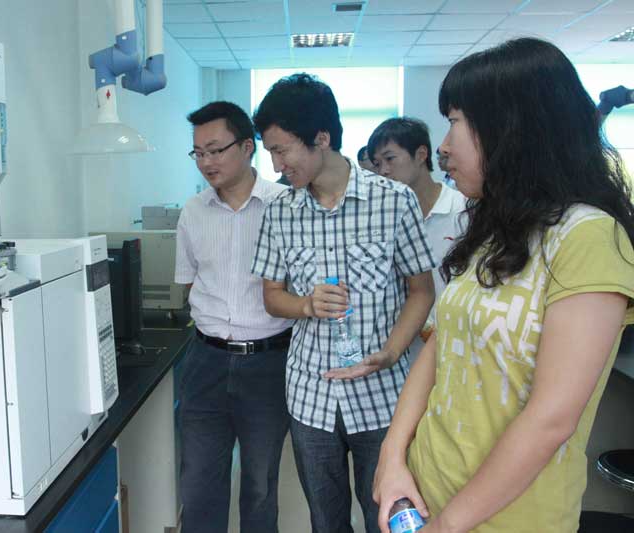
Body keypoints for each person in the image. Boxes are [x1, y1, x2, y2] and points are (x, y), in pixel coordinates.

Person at [373, 37, 634, 533]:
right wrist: (392, 456)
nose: (443, 146)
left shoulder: (588, 236)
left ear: (512, 128)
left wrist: (448, 525)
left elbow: (551, 418)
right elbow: (441, 346)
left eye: (455, 122)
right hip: (427, 485)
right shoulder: (499, 227)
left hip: (505, 516)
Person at [250, 73, 436, 533]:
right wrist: (306, 306)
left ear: (321, 138)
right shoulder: (279, 211)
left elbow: (421, 291)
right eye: (269, 152)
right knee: (325, 520)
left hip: (383, 396)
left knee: (388, 517)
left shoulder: (394, 201)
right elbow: (272, 297)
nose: (276, 165)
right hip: (310, 396)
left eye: (282, 150)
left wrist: (391, 352)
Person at [175, 101, 294, 533]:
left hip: (268, 362)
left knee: (259, 485)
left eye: (215, 150)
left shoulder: (286, 206)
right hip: (205, 360)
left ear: (247, 147)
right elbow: (188, 282)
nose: (206, 162)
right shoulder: (193, 211)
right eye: (198, 153)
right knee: (198, 483)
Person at [367, 117, 467, 364]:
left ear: (421, 154)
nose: (383, 171)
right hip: (405, 349)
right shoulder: (383, 219)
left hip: (459, 344)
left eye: (390, 159)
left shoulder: (462, 209)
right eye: (377, 164)